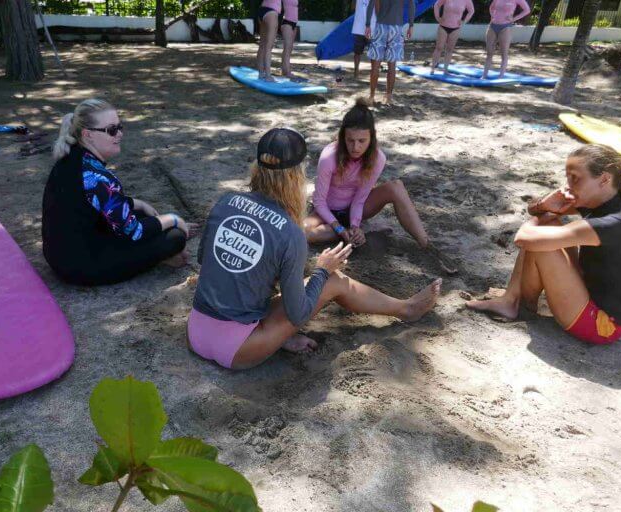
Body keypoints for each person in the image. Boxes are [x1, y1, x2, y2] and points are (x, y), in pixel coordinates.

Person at [188, 127, 442, 369]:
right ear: (295, 175)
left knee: (255, 280)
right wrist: (322, 270)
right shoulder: (290, 232)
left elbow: (205, 260)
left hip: (196, 331)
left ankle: (277, 337)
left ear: (257, 167)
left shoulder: (225, 202)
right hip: (237, 350)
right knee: (334, 280)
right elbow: (298, 314)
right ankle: (405, 309)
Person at [467, 144, 621, 345]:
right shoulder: (605, 200)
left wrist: (536, 222)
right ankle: (511, 300)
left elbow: (524, 239)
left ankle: (519, 305)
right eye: (568, 177)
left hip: (603, 326)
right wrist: (541, 207)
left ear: (604, 179)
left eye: (575, 178)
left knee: (543, 242)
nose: (568, 185)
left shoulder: (612, 223)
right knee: (548, 224)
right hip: (591, 295)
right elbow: (542, 212)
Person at [42, 99, 195, 285]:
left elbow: (96, 202)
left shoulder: (73, 156)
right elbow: (134, 232)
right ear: (88, 135)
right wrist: (174, 219)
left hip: (62, 254)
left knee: (141, 212)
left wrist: (138, 203)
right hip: (81, 268)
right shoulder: (97, 177)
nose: (120, 134)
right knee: (175, 237)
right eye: (111, 130)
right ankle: (161, 257)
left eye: (120, 127)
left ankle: (157, 249)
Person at [303, 99, 458, 274]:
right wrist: (340, 228)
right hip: (327, 212)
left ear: (372, 138)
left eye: (362, 141)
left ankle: (428, 247)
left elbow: (360, 200)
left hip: (357, 209)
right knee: (304, 231)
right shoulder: (329, 156)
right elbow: (319, 201)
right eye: (350, 140)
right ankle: (347, 233)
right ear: (342, 137)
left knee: (396, 186)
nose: (356, 147)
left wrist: (355, 224)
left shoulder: (378, 158)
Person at [365, 0, 414, 105]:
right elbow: (411, 4)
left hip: (381, 27)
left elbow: (371, 5)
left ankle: (372, 96)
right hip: (396, 28)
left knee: (375, 66)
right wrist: (411, 25)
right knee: (392, 66)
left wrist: (368, 24)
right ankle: (388, 96)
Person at [256, 0, 302, 82]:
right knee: (268, 46)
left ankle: (261, 73)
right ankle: (268, 75)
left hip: (262, 9)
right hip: (271, 12)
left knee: (262, 45)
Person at [483, 0, 531, 78]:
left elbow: (527, 10)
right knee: (489, 53)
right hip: (492, 26)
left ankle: (500, 77)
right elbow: (491, 7)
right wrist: (492, 15)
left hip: (505, 27)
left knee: (504, 54)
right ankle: (484, 76)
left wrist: (513, 19)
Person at [430, 0, 475, 75]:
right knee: (439, 47)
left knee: (450, 49)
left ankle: (445, 70)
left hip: (456, 28)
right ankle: (432, 68)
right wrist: (438, 17)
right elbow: (437, 5)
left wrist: (464, 21)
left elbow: (471, 11)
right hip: (443, 26)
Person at [351, 0, 376, 79]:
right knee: (359, 52)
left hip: (370, 27)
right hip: (362, 27)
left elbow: (353, 7)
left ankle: (358, 71)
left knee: (370, 52)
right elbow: (353, 7)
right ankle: (357, 70)